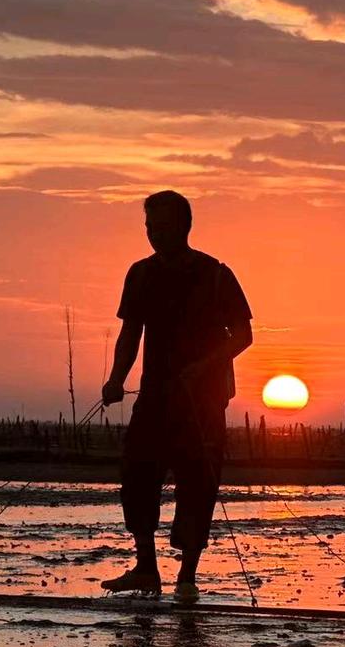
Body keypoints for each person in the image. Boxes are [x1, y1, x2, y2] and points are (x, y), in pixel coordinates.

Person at [100, 190, 252, 599]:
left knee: (197, 484)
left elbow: (243, 335)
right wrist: (116, 379)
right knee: (136, 475)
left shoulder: (215, 274)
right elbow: (131, 332)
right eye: (150, 227)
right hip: (154, 396)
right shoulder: (140, 274)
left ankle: (187, 577)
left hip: (202, 403)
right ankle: (146, 568)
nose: (155, 234)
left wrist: (203, 366)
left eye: (163, 227)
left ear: (184, 227)